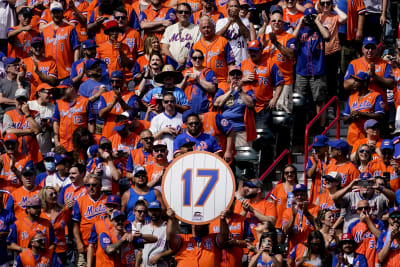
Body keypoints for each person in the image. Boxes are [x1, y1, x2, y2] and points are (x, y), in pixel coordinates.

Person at [293, 7, 331, 130]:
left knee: (320, 100)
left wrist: (317, 21)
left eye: (312, 16)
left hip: (317, 70)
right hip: (302, 70)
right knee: (299, 101)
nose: (310, 19)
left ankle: (321, 126)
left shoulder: (321, 28)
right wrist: (300, 23)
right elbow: (291, 40)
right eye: (308, 17)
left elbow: (327, 36)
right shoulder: (301, 30)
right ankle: (300, 126)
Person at [240, 39, 284, 135]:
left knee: (262, 138)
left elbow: (280, 82)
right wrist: (243, 79)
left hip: (263, 108)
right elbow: (231, 81)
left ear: (261, 50)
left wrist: (275, 98)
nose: (252, 53)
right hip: (245, 108)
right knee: (247, 136)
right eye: (250, 51)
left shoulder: (270, 64)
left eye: (255, 51)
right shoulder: (242, 65)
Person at [259, 8, 297, 113]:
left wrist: (276, 43)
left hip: (284, 83)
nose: (276, 23)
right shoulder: (265, 37)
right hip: (266, 84)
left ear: (283, 23)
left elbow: (291, 54)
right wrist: (264, 25)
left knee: (282, 117)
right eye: (274, 21)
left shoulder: (289, 37)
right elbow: (255, 46)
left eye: (279, 21)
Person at [344, 36, 395, 111]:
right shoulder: (354, 64)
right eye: (367, 47)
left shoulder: (384, 64)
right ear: (362, 49)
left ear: (376, 49)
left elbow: (391, 84)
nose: (370, 50)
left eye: (373, 47)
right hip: (359, 107)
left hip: (379, 108)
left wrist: (375, 77)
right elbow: (346, 84)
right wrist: (364, 76)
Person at [214, 65, 256, 147]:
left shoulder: (247, 88)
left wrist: (239, 90)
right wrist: (230, 91)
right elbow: (216, 103)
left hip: (242, 129)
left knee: (242, 156)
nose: (235, 76)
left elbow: (251, 104)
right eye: (232, 74)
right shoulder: (223, 88)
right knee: (225, 156)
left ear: (241, 76)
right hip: (225, 129)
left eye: (238, 74)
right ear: (229, 77)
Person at [72, 174, 107, 267]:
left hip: (104, 246)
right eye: (88, 185)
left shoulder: (108, 200)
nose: (91, 188)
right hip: (85, 245)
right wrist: (79, 243)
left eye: (94, 185)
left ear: (100, 186)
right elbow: (75, 225)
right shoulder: (80, 201)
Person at [53, 78, 95, 152]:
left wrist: (89, 140)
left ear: (71, 87)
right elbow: (56, 122)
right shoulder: (59, 103)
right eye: (61, 89)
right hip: (63, 145)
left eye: (64, 89)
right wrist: (56, 141)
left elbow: (91, 123)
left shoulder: (85, 101)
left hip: (81, 145)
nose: (62, 91)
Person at [343, 72, 385, 147]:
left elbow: (380, 115)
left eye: (357, 81)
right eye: (354, 80)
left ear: (365, 83)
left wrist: (361, 114)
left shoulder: (375, 95)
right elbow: (344, 119)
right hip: (352, 138)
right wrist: (352, 116)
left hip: (369, 137)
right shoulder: (351, 97)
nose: (354, 83)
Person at [41, 2, 80, 80]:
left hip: (66, 71)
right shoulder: (44, 31)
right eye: (53, 12)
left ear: (62, 13)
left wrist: (75, 66)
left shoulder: (70, 28)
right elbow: (41, 51)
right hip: (49, 72)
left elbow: (76, 49)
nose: (56, 14)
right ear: (50, 14)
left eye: (58, 12)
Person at [191, 16, 235, 83]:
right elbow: (189, 65)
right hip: (203, 82)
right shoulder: (196, 46)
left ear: (213, 27)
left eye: (208, 27)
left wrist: (229, 78)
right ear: (200, 30)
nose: (206, 29)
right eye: (204, 27)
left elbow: (231, 63)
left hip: (221, 81)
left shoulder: (223, 41)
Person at [317, 0, 347, 100]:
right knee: (320, 81)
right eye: (323, 3)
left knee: (332, 81)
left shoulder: (335, 16)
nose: (325, 5)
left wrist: (336, 8)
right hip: (320, 53)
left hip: (333, 51)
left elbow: (344, 18)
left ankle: (331, 106)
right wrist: (318, 9)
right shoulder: (318, 17)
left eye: (328, 3)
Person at [3, 88, 42, 164]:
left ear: (27, 101)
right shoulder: (8, 114)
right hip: (16, 156)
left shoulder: (35, 113)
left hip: (33, 156)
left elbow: (37, 130)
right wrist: (29, 131)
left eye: (23, 99)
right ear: (15, 100)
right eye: (18, 99)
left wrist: (27, 114)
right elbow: (9, 132)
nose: (20, 101)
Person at [98, 70, 138, 138]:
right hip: (109, 132)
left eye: (117, 81)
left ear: (122, 81)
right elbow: (101, 114)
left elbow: (133, 112)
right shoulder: (105, 95)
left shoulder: (131, 95)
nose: (114, 84)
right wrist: (113, 103)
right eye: (112, 81)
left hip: (125, 132)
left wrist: (120, 99)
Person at [39, 186, 73, 265]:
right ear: (44, 198)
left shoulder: (64, 211)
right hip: (44, 250)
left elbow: (72, 225)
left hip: (61, 250)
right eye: (51, 194)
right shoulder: (39, 214)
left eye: (55, 193)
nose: (54, 196)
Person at [236, 179, 277, 244]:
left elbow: (272, 221)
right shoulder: (240, 203)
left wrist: (253, 211)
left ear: (259, 190)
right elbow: (236, 222)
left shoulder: (268, 204)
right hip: (243, 246)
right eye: (247, 186)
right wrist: (244, 211)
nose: (247, 189)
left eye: (250, 187)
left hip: (260, 246)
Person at [282, 184, 320, 254]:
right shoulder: (287, 211)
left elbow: (319, 227)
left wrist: (306, 213)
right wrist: (293, 216)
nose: (299, 197)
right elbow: (285, 231)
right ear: (293, 197)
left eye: (302, 194)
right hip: (293, 251)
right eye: (296, 195)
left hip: (311, 250)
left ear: (306, 195)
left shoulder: (316, 208)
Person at [179, 49, 218, 114]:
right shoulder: (184, 72)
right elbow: (178, 91)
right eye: (195, 58)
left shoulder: (208, 72)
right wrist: (184, 80)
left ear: (203, 60)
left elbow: (213, 88)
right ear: (191, 60)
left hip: (205, 110)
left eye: (200, 58)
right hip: (187, 110)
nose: (197, 60)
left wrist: (198, 79)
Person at [78, 58, 111, 130]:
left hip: (109, 122)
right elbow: (81, 105)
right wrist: (97, 94)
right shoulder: (84, 86)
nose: (98, 68)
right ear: (89, 72)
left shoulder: (109, 82)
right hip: (95, 124)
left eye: (98, 65)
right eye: (95, 67)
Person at [347, 199, 384, 266]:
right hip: (359, 262)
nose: (363, 210)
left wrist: (368, 221)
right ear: (357, 211)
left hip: (374, 261)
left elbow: (382, 237)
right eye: (360, 209)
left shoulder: (379, 223)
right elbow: (348, 246)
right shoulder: (352, 226)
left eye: (366, 208)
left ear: (369, 209)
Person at [149, 92, 183, 161]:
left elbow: (188, 137)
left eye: (171, 101)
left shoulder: (182, 118)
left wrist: (179, 135)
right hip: (162, 156)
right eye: (166, 101)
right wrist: (162, 131)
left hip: (179, 154)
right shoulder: (157, 119)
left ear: (175, 102)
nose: (169, 103)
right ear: (163, 103)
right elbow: (150, 139)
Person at [141, 200, 174, 266]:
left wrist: (160, 256)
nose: (153, 213)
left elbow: (174, 249)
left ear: (160, 211)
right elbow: (140, 251)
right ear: (148, 212)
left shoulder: (167, 228)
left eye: (156, 210)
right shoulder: (144, 228)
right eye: (151, 210)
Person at [27, 83, 55, 154]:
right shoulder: (29, 105)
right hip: (30, 149)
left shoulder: (54, 107)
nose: (51, 95)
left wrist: (49, 125)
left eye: (51, 93)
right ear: (39, 93)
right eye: (48, 93)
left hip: (46, 149)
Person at [0, 57, 30, 124]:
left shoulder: (26, 83)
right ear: (7, 68)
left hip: (21, 120)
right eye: (15, 65)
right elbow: (1, 100)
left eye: (18, 65)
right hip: (3, 119)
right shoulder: (1, 82)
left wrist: (19, 82)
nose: (18, 67)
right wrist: (17, 102)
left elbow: (25, 99)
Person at [307, 135, 330, 203]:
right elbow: (309, 175)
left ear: (326, 147)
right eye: (315, 147)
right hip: (315, 196)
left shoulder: (333, 160)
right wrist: (315, 163)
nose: (316, 149)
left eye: (319, 147)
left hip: (328, 196)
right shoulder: (311, 159)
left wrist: (327, 163)